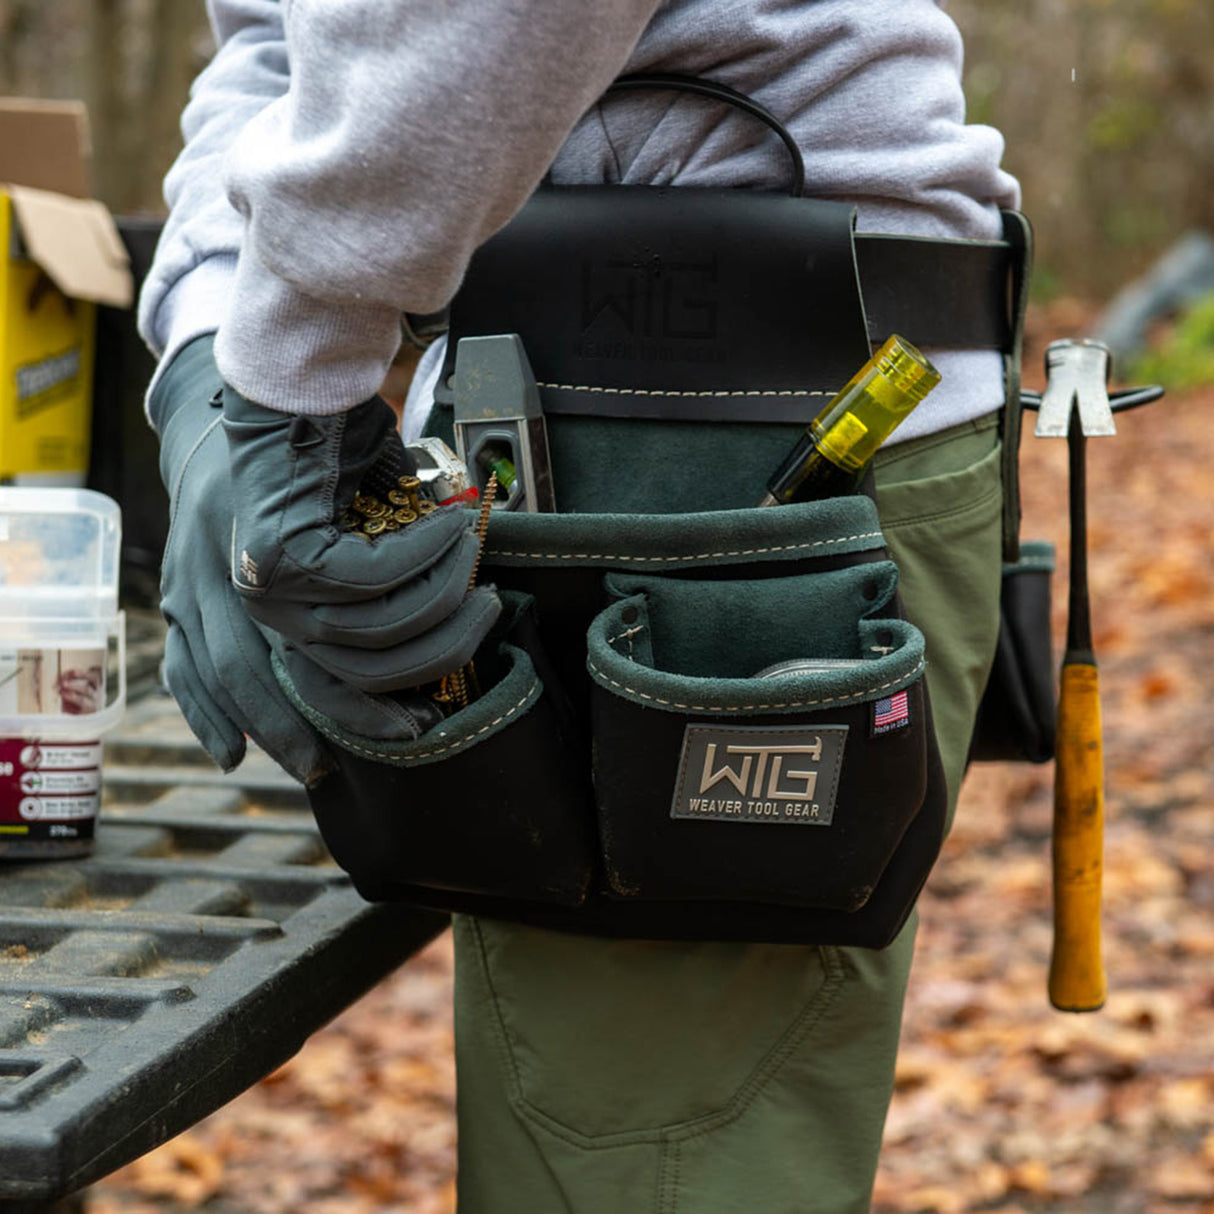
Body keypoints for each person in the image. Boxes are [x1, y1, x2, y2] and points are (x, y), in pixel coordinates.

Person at [139, 2, 1021, 1209]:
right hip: (610, 411)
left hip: (729, 433)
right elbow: (280, 42)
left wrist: (288, 379)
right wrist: (208, 350)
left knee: (638, 1162)